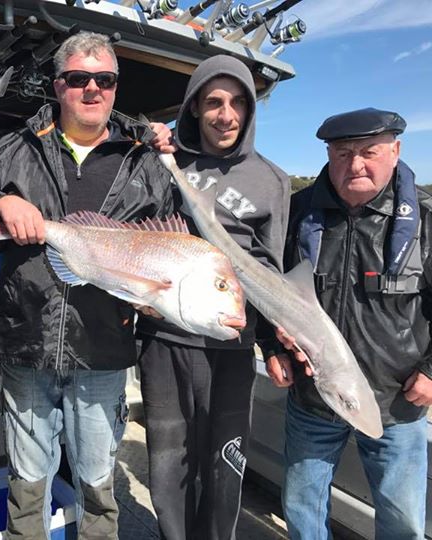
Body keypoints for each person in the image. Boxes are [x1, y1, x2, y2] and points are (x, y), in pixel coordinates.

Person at [0, 31, 175, 539]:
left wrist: (161, 299)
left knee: (97, 479)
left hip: (104, 351)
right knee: (27, 478)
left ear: (115, 87)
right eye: (78, 79)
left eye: (104, 80)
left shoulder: (148, 160)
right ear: (57, 86)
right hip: (27, 344)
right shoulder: (12, 149)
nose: (93, 89)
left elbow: (169, 241)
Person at [135, 55, 290, 540]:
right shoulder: (166, 163)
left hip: (232, 347)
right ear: (196, 109)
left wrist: (272, 344)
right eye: (214, 102)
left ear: (248, 110)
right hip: (165, 339)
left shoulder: (272, 180)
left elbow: (274, 274)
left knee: (226, 462)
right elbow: (137, 231)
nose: (226, 114)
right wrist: (148, 145)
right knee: (168, 460)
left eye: (238, 102)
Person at [266, 108, 432, 540]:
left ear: (395, 151)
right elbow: (268, 291)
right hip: (313, 402)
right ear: (327, 154)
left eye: (369, 152)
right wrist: (271, 347)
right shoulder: (297, 214)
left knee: (404, 521)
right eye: (343, 153)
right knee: (302, 508)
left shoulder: (427, 223)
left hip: (396, 404)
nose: (355, 164)